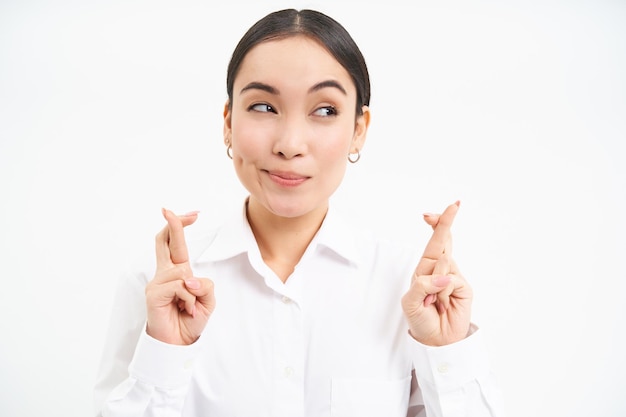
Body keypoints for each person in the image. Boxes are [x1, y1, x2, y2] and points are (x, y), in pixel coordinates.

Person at [94, 8, 503, 417]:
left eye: (324, 110)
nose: (290, 144)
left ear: (359, 130)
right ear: (228, 122)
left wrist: (446, 351)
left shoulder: (409, 290)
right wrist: (165, 354)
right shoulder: (158, 287)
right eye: (263, 107)